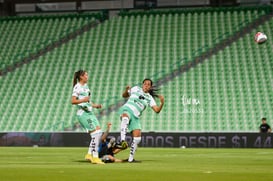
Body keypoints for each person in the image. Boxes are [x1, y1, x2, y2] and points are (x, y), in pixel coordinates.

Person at [118, 78, 164, 162]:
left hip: (136, 116)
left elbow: (157, 110)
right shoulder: (136, 88)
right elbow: (124, 95)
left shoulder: (150, 98)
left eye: (148, 84)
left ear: (150, 87)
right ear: (142, 85)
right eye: (145, 84)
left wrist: (162, 103)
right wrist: (126, 90)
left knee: (137, 139)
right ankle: (122, 141)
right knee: (125, 118)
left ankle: (130, 159)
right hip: (127, 109)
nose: (146, 85)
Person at [71, 70, 104, 164]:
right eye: (86, 75)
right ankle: (95, 157)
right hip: (83, 113)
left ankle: (89, 154)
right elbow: (73, 101)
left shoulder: (86, 87)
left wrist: (95, 105)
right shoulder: (77, 87)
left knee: (99, 132)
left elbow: (87, 102)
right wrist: (83, 99)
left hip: (89, 112)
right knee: (95, 134)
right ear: (81, 77)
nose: (87, 76)